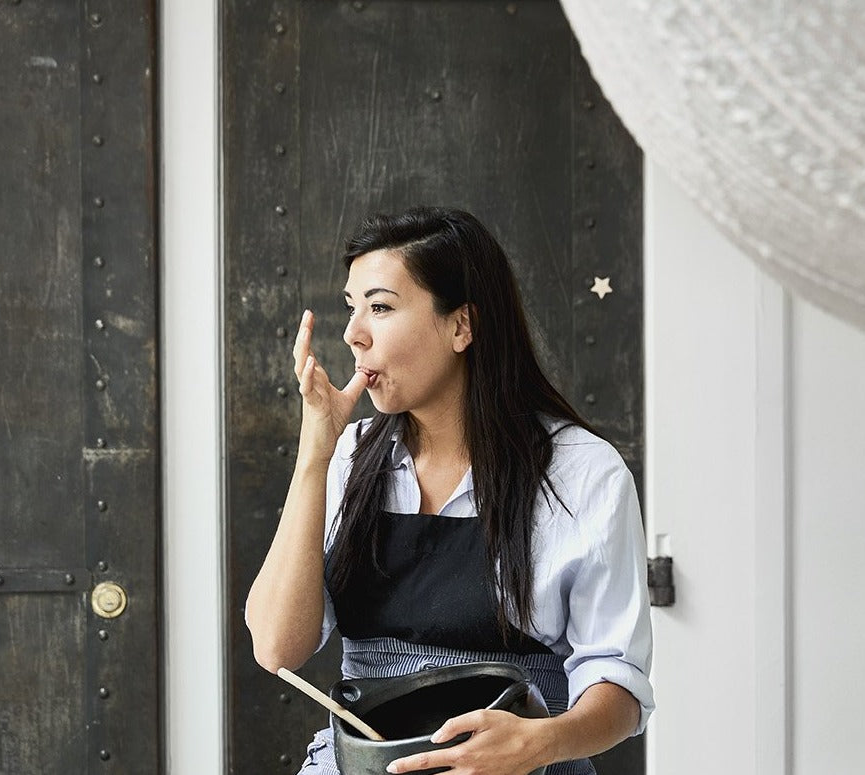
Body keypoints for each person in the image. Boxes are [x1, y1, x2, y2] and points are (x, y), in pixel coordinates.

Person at [245, 206, 654, 775]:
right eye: (351, 307)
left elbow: (620, 686)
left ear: (461, 326)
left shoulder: (582, 471)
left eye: (381, 307)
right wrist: (316, 450)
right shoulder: (350, 456)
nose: (353, 334)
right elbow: (276, 648)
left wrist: (541, 743)